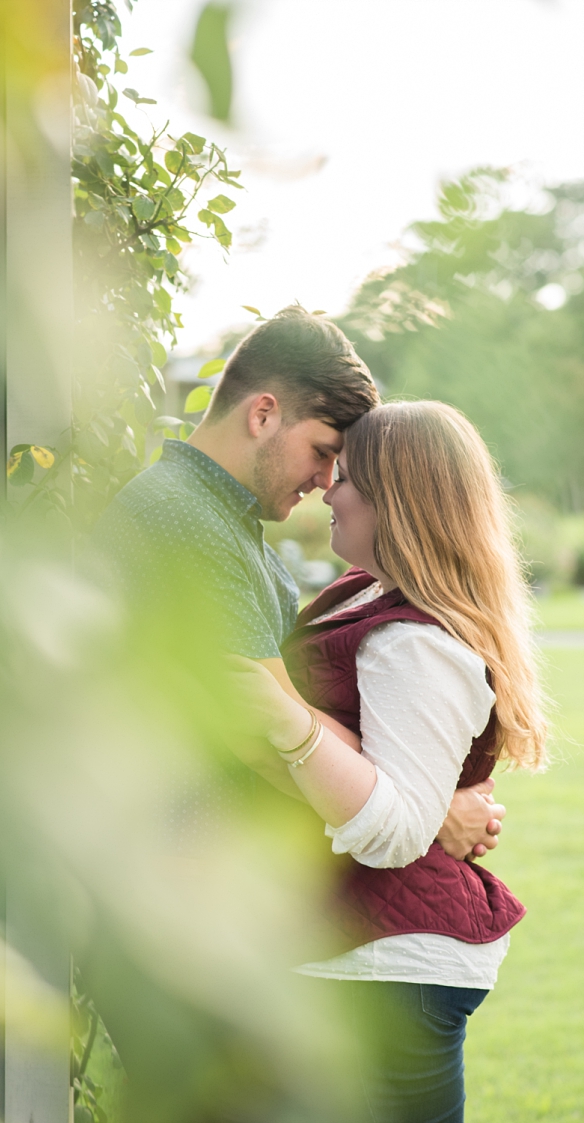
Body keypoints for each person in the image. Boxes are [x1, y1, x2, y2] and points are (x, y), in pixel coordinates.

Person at [231, 400, 547, 1119]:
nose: (326, 489)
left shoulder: (417, 643)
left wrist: (279, 712)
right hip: (357, 954)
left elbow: (396, 828)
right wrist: (439, 807)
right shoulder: (366, 593)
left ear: (395, 497)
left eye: (344, 475)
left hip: (386, 970)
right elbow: (395, 783)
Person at [95, 305, 504, 858]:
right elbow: (264, 738)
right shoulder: (187, 520)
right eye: (322, 452)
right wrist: (429, 812)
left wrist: (421, 796)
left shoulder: (221, 520)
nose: (325, 481)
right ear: (262, 414)